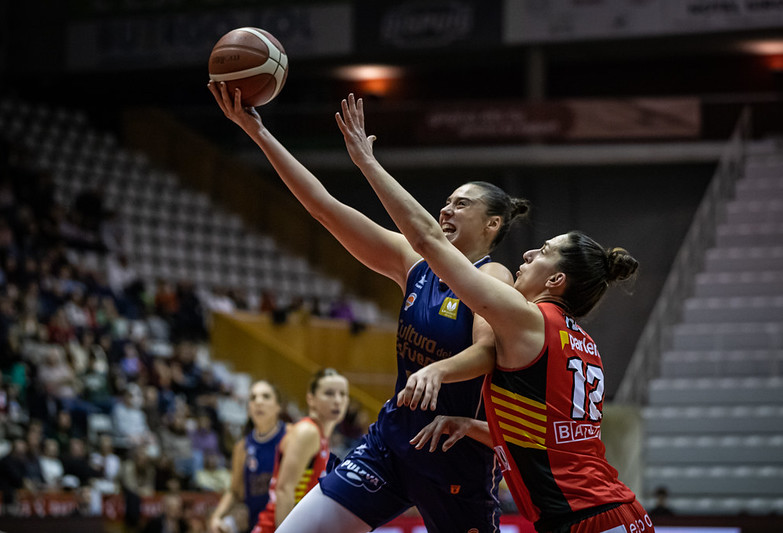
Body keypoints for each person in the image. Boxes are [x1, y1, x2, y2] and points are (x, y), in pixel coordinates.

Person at [209, 80, 529, 533]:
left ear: (492, 224)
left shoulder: (494, 278)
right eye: (446, 202)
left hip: (453, 458)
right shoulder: (412, 262)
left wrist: (438, 370)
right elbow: (323, 207)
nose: (447, 210)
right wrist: (257, 131)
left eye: (462, 204)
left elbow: (487, 352)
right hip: (391, 445)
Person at [335, 94, 653, 533]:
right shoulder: (582, 344)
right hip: (620, 511)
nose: (528, 253)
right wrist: (472, 425)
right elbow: (549, 442)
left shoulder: (528, 318)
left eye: (543, 251)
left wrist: (368, 163)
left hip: (583, 518)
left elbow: (428, 242)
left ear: (556, 280)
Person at [251, 369, 349, 533]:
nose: (338, 400)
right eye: (329, 393)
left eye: (343, 394)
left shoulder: (320, 434)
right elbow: (284, 490)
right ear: (311, 399)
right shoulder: (307, 431)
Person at [209, 379, 287, 533]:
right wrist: (216, 517)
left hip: (288, 524)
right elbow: (234, 491)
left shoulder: (292, 436)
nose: (258, 402)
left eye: (266, 396)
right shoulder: (242, 446)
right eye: (253, 398)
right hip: (257, 526)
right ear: (248, 408)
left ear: (278, 406)